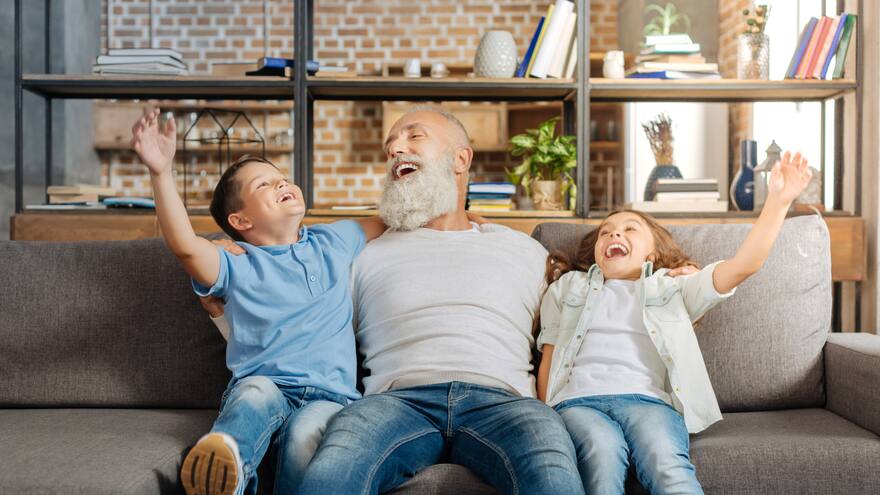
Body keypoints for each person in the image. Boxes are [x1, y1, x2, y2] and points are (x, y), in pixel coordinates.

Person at [288, 106, 584, 495]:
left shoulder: (523, 250)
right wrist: (229, 267)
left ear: (461, 159)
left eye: (414, 136)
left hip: (503, 403)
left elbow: (580, 319)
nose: (396, 149)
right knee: (335, 469)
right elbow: (298, 318)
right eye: (390, 145)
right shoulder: (363, 253)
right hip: (396, 402)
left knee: (552, 472)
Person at [130, 108, 386, 495]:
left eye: (282, 178)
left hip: (331, 396)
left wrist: (462, 214)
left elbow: (392, 219)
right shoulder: (237, 264)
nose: (281, 183)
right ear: (241, 221)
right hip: (267, 384)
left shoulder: (332, 240)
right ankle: (227, 464)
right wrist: (161, 172)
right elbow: (185, 246)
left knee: (305, 437)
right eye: (264, 185)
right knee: (253, 395)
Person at [536, 152, 813, 494]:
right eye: (605, 233)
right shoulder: (568, 287)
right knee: (602, 453)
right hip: (578, 403)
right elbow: (549, 357)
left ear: (652, 253)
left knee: (667, 466)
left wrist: (778, 201)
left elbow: (743, 266)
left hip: (648, 402)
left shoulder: (671, 287)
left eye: (629, 229)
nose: (613, 234)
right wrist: (545, 414)